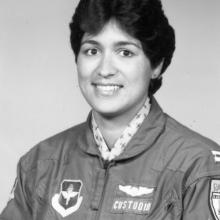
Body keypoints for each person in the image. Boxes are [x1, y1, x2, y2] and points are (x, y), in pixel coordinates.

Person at [1, 0, 220, 219]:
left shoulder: (198, 166)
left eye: (125, 52)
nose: (105, 69)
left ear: (156, 65)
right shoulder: (39, 163)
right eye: (92, 50)